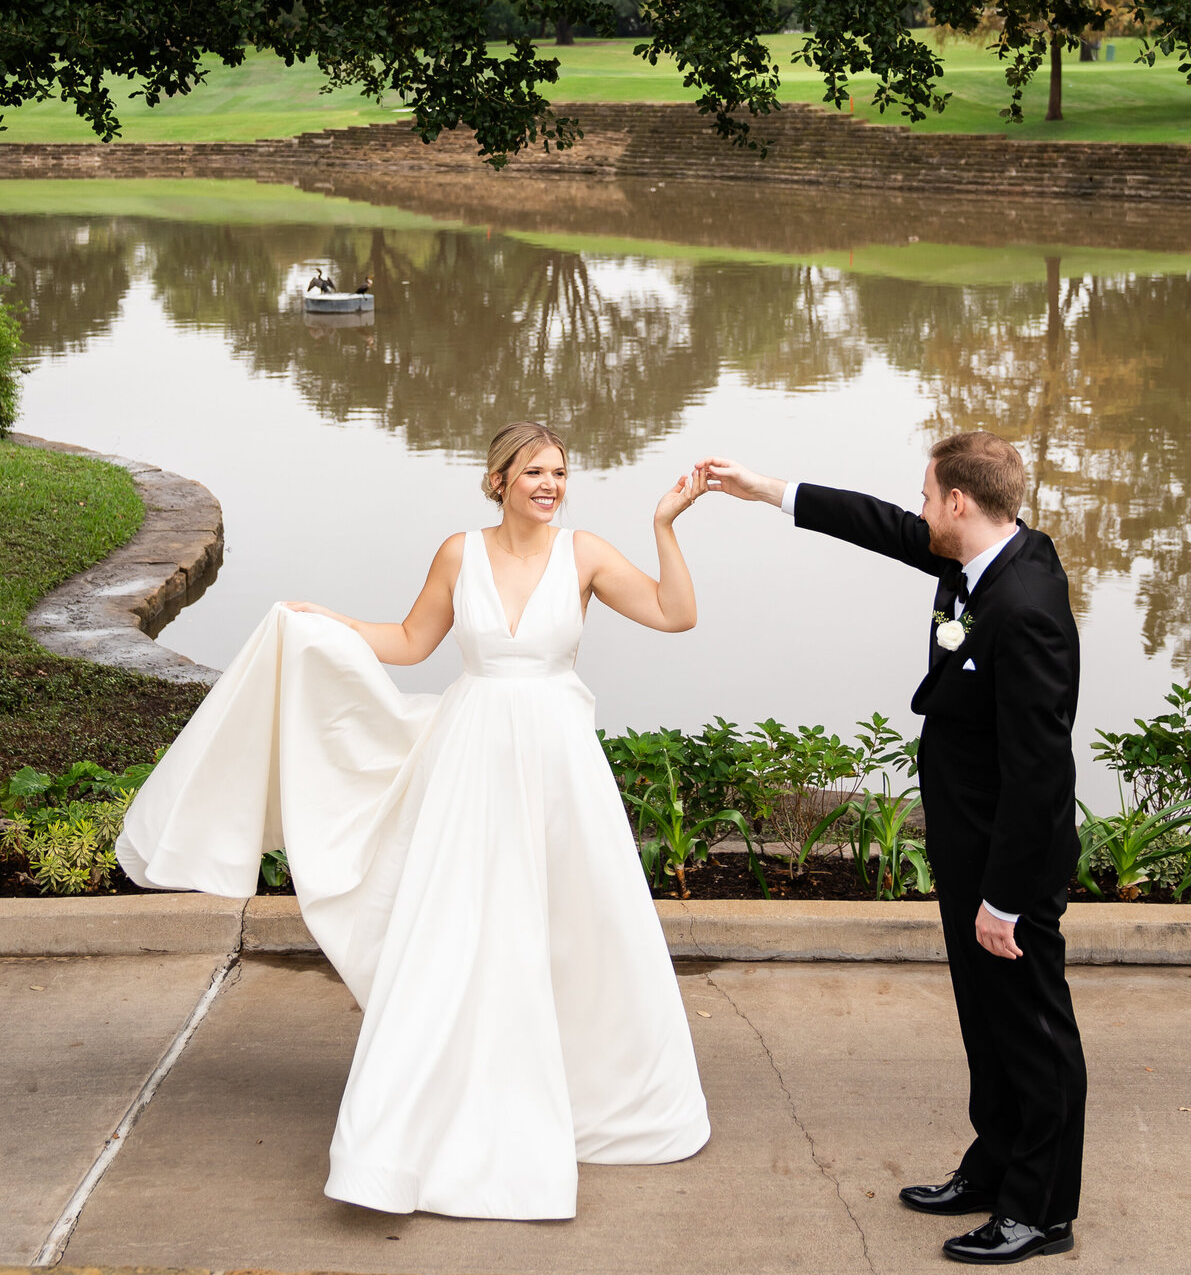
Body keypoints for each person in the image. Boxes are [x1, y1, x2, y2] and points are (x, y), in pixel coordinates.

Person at [118, 421, 710, 1221]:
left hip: (560, 766)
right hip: (469, 760)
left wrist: (666, 525)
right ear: (498, 479)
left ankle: (585, 1093)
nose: (550, 485)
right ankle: (435, 1116)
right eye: (534, 471)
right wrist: (323, 623)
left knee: (575, 925)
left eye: (560, 473)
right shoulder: (459, 553)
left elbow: (678, 616)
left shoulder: (589, 556)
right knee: (461, 932)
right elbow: (407, 640)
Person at [698, 432, 1086, 1267]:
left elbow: (1040, 776)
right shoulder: (988, 554)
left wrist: (1006, 899)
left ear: (957, 503)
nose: (917, 510)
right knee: (987, 1022)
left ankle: (1041, 1211)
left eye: (925, 496)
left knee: (1033, 1029)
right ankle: (994, 1167)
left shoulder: (1024, 611)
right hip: (972, 845)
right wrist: (769, 490)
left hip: (1008, 864)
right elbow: (882, 526)